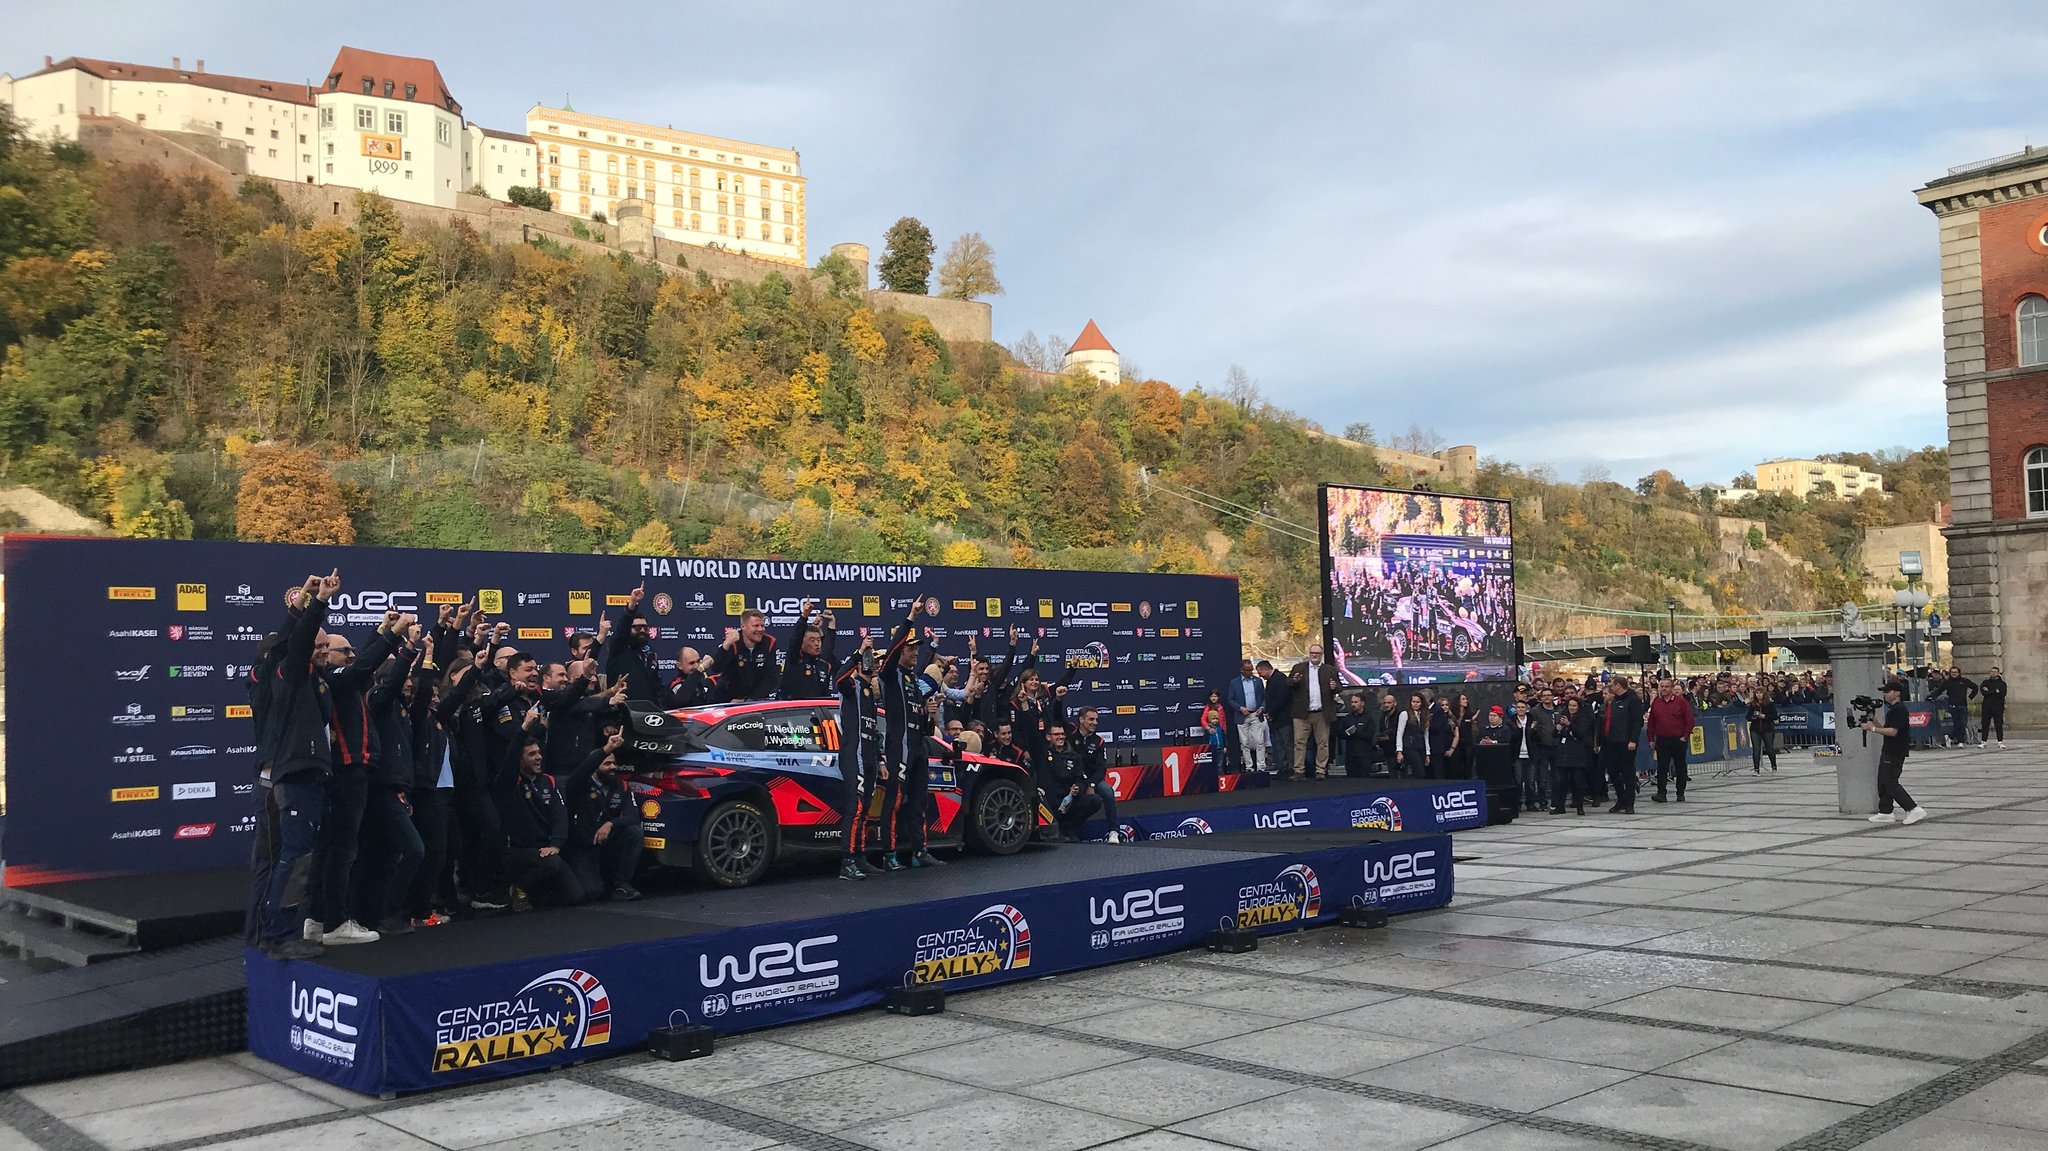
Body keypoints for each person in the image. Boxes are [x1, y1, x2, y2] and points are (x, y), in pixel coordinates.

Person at [254, 572, 339, 960]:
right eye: (316, 646)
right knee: (294, 856)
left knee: (299, 856)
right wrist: (316, 602)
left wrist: (305, 602)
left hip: (311, 774)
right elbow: (298, 641)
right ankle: (277, 933)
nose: (321, 651)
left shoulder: (310, 683)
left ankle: (280, 932)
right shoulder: (287, 676)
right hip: (295, 774)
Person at [307, 606, 401, 946]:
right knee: (342, 850)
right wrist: (391, 635)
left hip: (348, 770)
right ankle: (335, 923)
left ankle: (316, 918)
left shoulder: (336, 679)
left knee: (330, 848)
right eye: (341, 650)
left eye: (351, 649)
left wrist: (381, 630)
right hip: (347, 770)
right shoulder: (335, 680)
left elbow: (361, 663)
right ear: (328, 656)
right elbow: (364, 667)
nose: (351, 654)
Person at [495, 701, 586, 909]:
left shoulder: (549, 781)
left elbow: (560, 816)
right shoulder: (509, 782)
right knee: (551, 863)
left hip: (546, 849)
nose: (538, 758)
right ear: (520, 759)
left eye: (539, 753)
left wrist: (555, 844)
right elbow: (510, 759)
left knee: (576, 897)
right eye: (532, 754)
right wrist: (523, 728)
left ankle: (534, 891)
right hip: (517, 850)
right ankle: (517, 886)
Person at [878, 598, 943, 869]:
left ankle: (919, 851)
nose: (915, 652)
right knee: (893, 802)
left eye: (917, 648)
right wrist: (911, 618)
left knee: (918, 801)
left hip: (918, 747)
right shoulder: (889, 675)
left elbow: (919, 712)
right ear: (900, 650)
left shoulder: (912, 679)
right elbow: (892, 650)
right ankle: (889, 854)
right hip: (899, 747)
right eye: (911, 648)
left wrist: (928, 714)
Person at [564, 732, 643, 900]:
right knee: (592, 892)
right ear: (595, 766)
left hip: (608, 843)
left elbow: (634, 816)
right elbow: (581, 771)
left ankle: (621, 884)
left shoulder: (621, 785)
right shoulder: (579, 784)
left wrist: (611, 824)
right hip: (583, 846)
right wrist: (606, 749)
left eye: (614, 763)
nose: (613, 767)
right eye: (607, 764)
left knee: (634, 832)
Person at [833, 631, 884, 880]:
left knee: (866, 810)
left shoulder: (870, 694)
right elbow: (839, 677)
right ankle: (846, 861)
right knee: (856, 807)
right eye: (869, 659)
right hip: (854, 756)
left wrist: (880, 758)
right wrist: (858, 651)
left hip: (870, 756)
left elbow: (873, 730)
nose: (872, 663)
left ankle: (860, 856)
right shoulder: (850, 686)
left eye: (873, 659)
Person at [1865, 681, 1929, 825]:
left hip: (1895, 751)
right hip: (1889, 748)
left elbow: (1893, 732)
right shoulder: (1893, 709)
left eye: (1888, 691)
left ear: (1897, 693)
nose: (1885, 694)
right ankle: (1886, 811)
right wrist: (1874, 721)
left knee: (1890, 782)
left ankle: (1913, 809)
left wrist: (1872, 729)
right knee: (1882, 781)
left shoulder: (1899, 709)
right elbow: (1887, 729)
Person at [605, 583, 669, 705]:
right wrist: (632, 605)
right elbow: (622, 630)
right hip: (624, 710)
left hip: (651, 712)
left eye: (645, 627)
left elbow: (657, 685)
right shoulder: (618, 649)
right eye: (637, 628)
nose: (642, 631)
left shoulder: (650, 653)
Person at [1287, 644, 1342, 780]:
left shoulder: (1329, 670)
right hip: (1301, 713)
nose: (1314, 655)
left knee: (1322, 743)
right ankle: (1299, 771)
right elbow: (1288, 683)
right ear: (1309, 653)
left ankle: (1321, 770)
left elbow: (1339, 687)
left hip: (1322, 713)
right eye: (1312, 652)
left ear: (1321, 654)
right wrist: (1294, 681)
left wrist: (1335, 687)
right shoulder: (1299, 668)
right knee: (1299, 743)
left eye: (1317, 653)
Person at [708, 607, 779, 703]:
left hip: (756, 700)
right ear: (743, 626)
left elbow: (772, 677)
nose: (761, 629)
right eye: (756, 626)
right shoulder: (732, 642)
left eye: (762, 625)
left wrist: (749, 700)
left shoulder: (770, 642)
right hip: (729, 701)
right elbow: (716, 668)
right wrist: (725, 645)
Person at [1043, 724, 1101, 841]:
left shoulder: (1074, 756)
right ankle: (1057, 830)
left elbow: (1081, 779)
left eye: (1062, 734)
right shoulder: (1041, 755)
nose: (1061, 737)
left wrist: (1077, 789)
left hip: (1068, 802)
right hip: (1048, 805)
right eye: (1056, 734)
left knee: (1095, 800)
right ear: (1048, 737)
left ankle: (1068, 828)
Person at [1072, 707, 1122, 842]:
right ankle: (1069, 829)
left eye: (1096, 720)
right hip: (1075, 778)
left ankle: (1114, 831)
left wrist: (1092, 784)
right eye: (1091, 719)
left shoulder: (1099, 741)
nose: (1095, 722)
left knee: (1107, 791)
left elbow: (1101, 768)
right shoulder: (1070, 738)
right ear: (1081, 720)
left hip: (1093, 779)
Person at [1646, 677, 1696, 804]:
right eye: (1661, 686)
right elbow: (1651, 722)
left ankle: (1680, 793)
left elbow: (1689, 720)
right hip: (1662, 740)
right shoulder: (1657, 702)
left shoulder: (1681, 702)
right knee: (1662, 767)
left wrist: (1685, 736)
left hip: (1678, 739)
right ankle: (1661, 793)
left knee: (1680, 767)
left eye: (1666, 686)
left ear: (1672, 689)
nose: (1663, 689)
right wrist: (1651, 738)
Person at [1597, 678, 1642, 815]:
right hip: (1612, 741)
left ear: (1619, 686)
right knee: (1613, 772)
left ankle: (1629, 803)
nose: (1612, 688)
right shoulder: (1615, 701)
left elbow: (1637, 721)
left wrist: (1633, 740)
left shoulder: (1632, 700)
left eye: (1613, 686)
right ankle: (1621, 799)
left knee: (1627, 773)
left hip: (1626, 742)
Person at [778, 601, 836, 700]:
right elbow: (795, 640)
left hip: (816, 712)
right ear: (802, 643)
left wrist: (831, 624)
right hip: (792, 712)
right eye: (812, 640)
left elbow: (828, 647)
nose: (817, 643)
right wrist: (804, 616)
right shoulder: (795, 659)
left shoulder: (824, 665)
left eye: (818, 640)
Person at [1551, 696, 1593, 815]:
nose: (1572, 708)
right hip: (1564, 753)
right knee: (1562, 782)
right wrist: (1558, 728)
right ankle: (1560, 806)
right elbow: (1554, 735)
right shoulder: (1564, 716)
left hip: (1577, 754)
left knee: (1578, 781)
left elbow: (1581, 734)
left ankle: (1579, 806)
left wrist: (1569, 724)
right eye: (1570, 705)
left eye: (1574, 706)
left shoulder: (1583, 718)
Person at [1230, 658, 1267, 774]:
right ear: (1241, 670)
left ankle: (1261, 766)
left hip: (1255, 714)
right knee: (1244, 743)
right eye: (1247, 670)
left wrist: (1261, 708)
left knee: (1259, 741)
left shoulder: (1258, 681)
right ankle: (1249, 767)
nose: (1249, 672)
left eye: (1251, 670)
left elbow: (1264, 697)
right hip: (1242, 715)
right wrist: (1240, 708)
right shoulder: (1234, 683)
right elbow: (1230, 699)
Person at [1518, 698, 1554, 811]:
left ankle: (1531, 803)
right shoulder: (1512, 721)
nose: (1520, 709)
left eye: (1523, 707)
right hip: (1517, 755)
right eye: (1518, 707)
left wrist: (1532, 730)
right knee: (1518, 781)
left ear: (1527, 709)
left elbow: (1536, 737)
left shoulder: (1531, 720)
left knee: (1531, 781)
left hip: (1530, 754)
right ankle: (1518, 803)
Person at [1260, 659, 1294, 777]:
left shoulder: (1280, 678)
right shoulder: (1270, 680)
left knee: (1287, 743)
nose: (1260, 676)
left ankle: (1290, 767)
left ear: (1266, 669)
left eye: (1261, 673)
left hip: (1283, 718)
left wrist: (1271, 712)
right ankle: (1283, 767)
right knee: (1279, 745)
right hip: (1275, 719)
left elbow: (1281, 699)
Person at [1335, 692, 1378, 778]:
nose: (1353, 704)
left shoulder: (1369, 718)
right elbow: (1340, 733)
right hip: (1350, 756)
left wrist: (1356, 733)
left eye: (1356, 702)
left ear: (1362, 703)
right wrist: (1348, 733)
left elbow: (1370, 735)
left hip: (1364, 756)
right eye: (1352, 702)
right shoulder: (1348, 718)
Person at [1937, 668, 1977, 749]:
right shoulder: (1947, 682)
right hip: (1952, 706)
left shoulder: (1964, 681)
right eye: (1952, 672)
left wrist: (1970, 697)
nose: (1954, 674)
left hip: (1963, 705)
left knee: (1963, 723)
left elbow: (1975, 687)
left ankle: (1950, 737)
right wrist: (1932, 697)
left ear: (1959, 673)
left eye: (1955, 672)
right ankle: (1960, 741)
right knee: (1957, 724)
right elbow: (1939, 691)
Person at [1394, 693, 1431, 779]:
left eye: (1418, 702)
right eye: (1413, 701)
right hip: (1409, 747)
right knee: (1419, 771)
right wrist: (1399, 751)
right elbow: (1399, 733)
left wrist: (1427, 753)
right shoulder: (1405, 714)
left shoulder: (1424, 715)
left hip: (1421, 747)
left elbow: (1426, 735)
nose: (1415, 704)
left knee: (1421, 773)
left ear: (1422, 703)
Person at [1746, 689, 1779, 774]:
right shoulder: (1753, 704)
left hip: (1767, 728)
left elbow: (1775, 716)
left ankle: (1774, 765)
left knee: (1769, 749)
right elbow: (1747, 717)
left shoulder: (1770, 704)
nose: (1758, 695)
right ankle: (1756, 769)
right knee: (1756, 749)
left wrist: (1765, 716)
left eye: (1760, 693)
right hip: (1755, 729)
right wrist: (1753, 716)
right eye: (1757, 693)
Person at [1980, 666, 2008, 749]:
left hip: (1998, 707)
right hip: (1987, 706)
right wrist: (1994, 691)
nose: (1993, 673)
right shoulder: (1985, 682)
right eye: (1991, 671)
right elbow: (1983, 692)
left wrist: (1989, 691)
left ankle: (2000, 741)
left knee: (1998, 724)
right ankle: (1983, 741)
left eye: (1995, 672)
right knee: (1985, 724)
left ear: (1998, 673)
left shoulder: (2002, 683)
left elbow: (2002, 694)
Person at [1200, 689, 1229, 766]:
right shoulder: (1207, 707)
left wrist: (1224, 732)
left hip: (1220, 733)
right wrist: (1208, 728)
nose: (1214, 698)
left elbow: (1223, 721)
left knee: (1220, 759)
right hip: (1211, 733)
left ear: (1218, 697)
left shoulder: (1220, 707)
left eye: (1215, 696)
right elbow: (1203, 719)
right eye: (1212, 696)